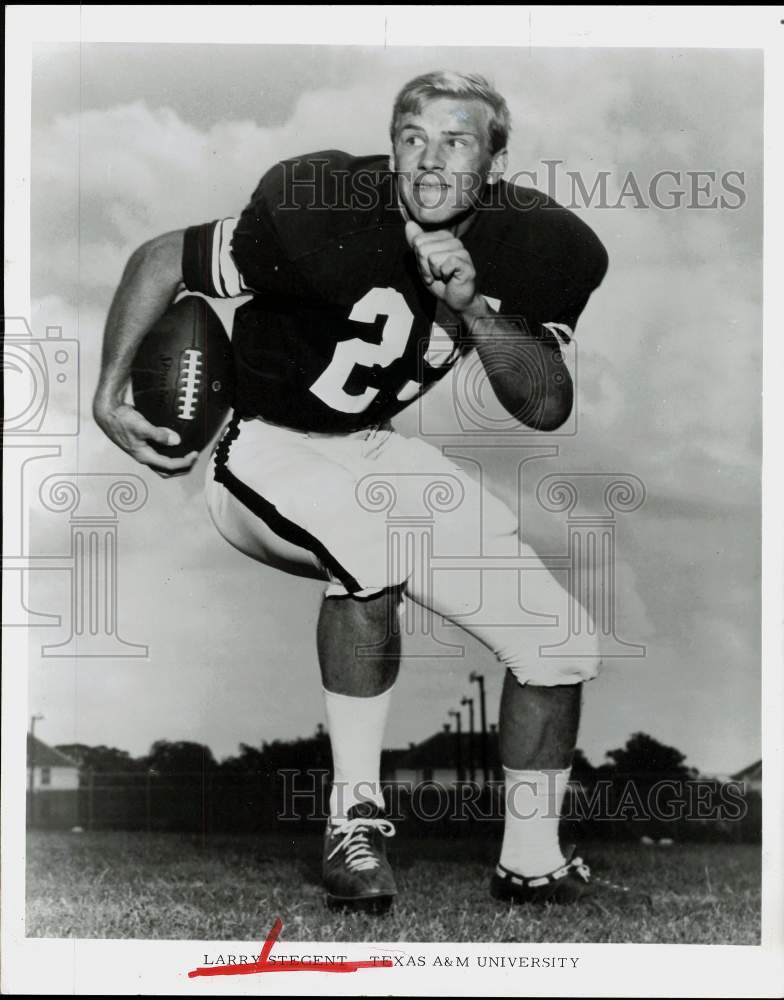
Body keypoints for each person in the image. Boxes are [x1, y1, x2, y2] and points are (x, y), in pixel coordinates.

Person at [94, 71, 647, 912]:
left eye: (456, 141)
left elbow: (544, 404)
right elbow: (163, 257)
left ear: (498, 158)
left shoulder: (543, 246)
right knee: (369, 547)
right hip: (264, 444)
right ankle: (352, 820)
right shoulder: (322, 207)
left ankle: (531, 860)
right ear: (392, 144)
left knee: (557, 637)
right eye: (413, 138)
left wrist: (471, 310)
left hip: (374, 449)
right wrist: (108, 390)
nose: (428, 162)